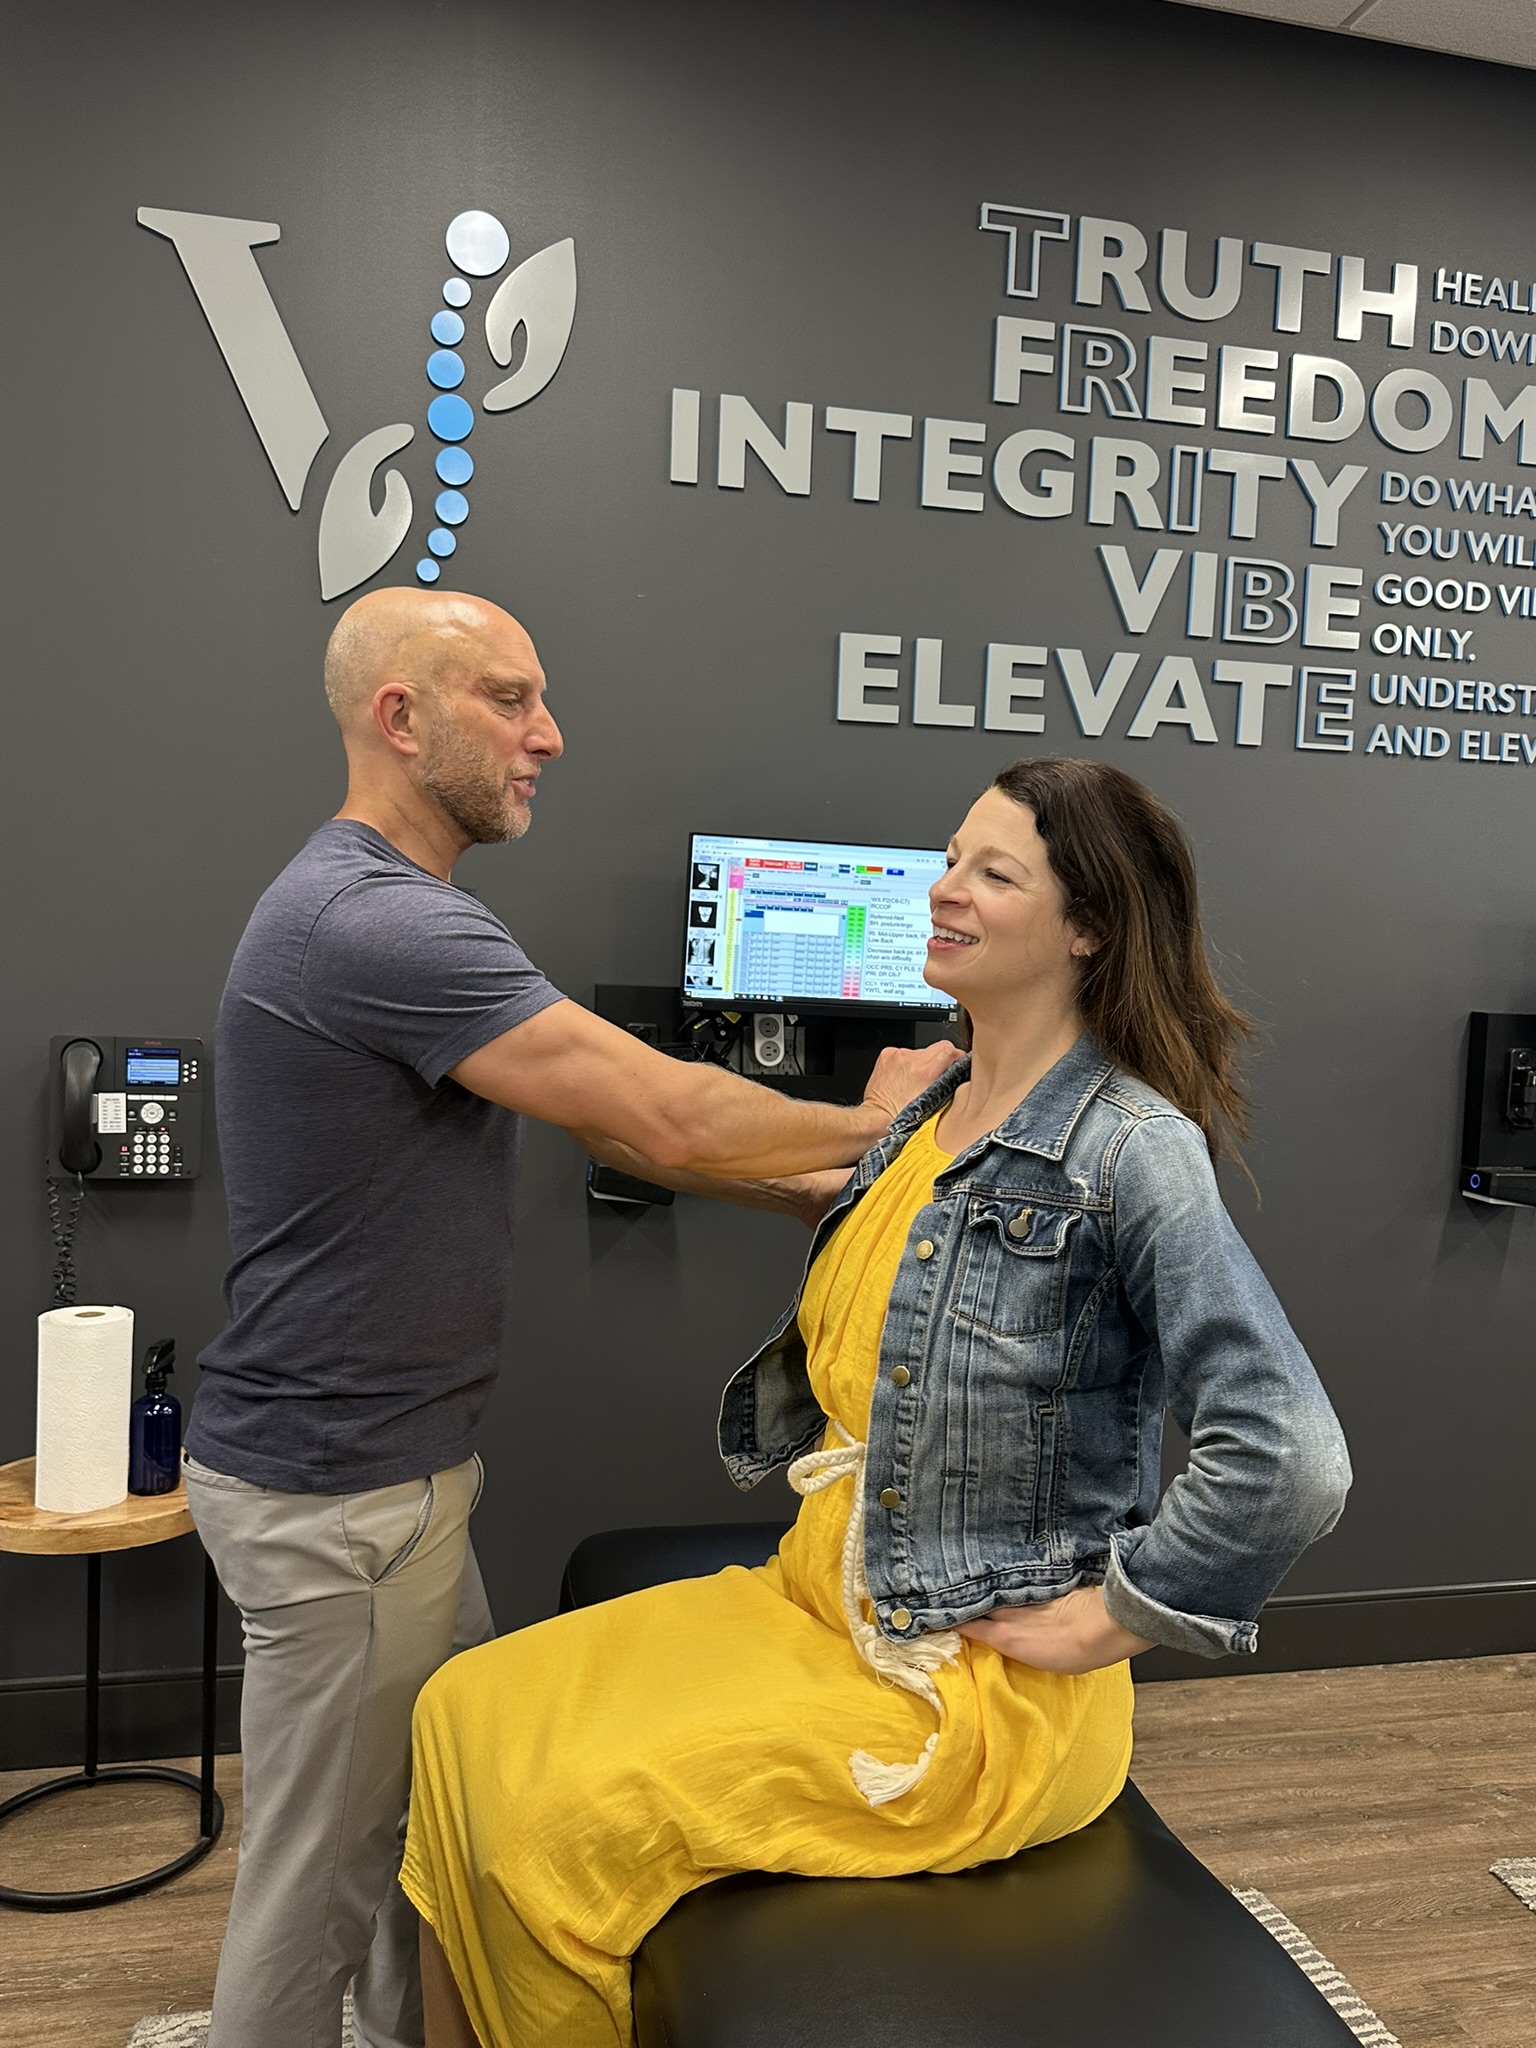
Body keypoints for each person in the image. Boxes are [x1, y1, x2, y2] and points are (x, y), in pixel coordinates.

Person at [402, 756, 1353, 2048]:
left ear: (1088, 928)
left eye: (994, 874)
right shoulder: (939, 1106)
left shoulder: (1132, 1149)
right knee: (463, 1713)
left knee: (553, 1821)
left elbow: (1291, 1457)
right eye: (951, 858)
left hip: (957, 1698)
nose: (946, 890)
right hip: (821, 1603)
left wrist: (1111, 1620)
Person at [181, 586, 955, 2048]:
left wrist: (812, 1202)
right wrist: (888, 1130)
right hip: (344, 1496)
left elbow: (617, 1137)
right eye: (510, 699)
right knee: (321, 1884)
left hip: (373, 1488)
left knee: (433, 1810)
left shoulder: (395, 912)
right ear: (398, 718)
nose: (551, 734)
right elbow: (655, 1102)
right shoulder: (374, 924)